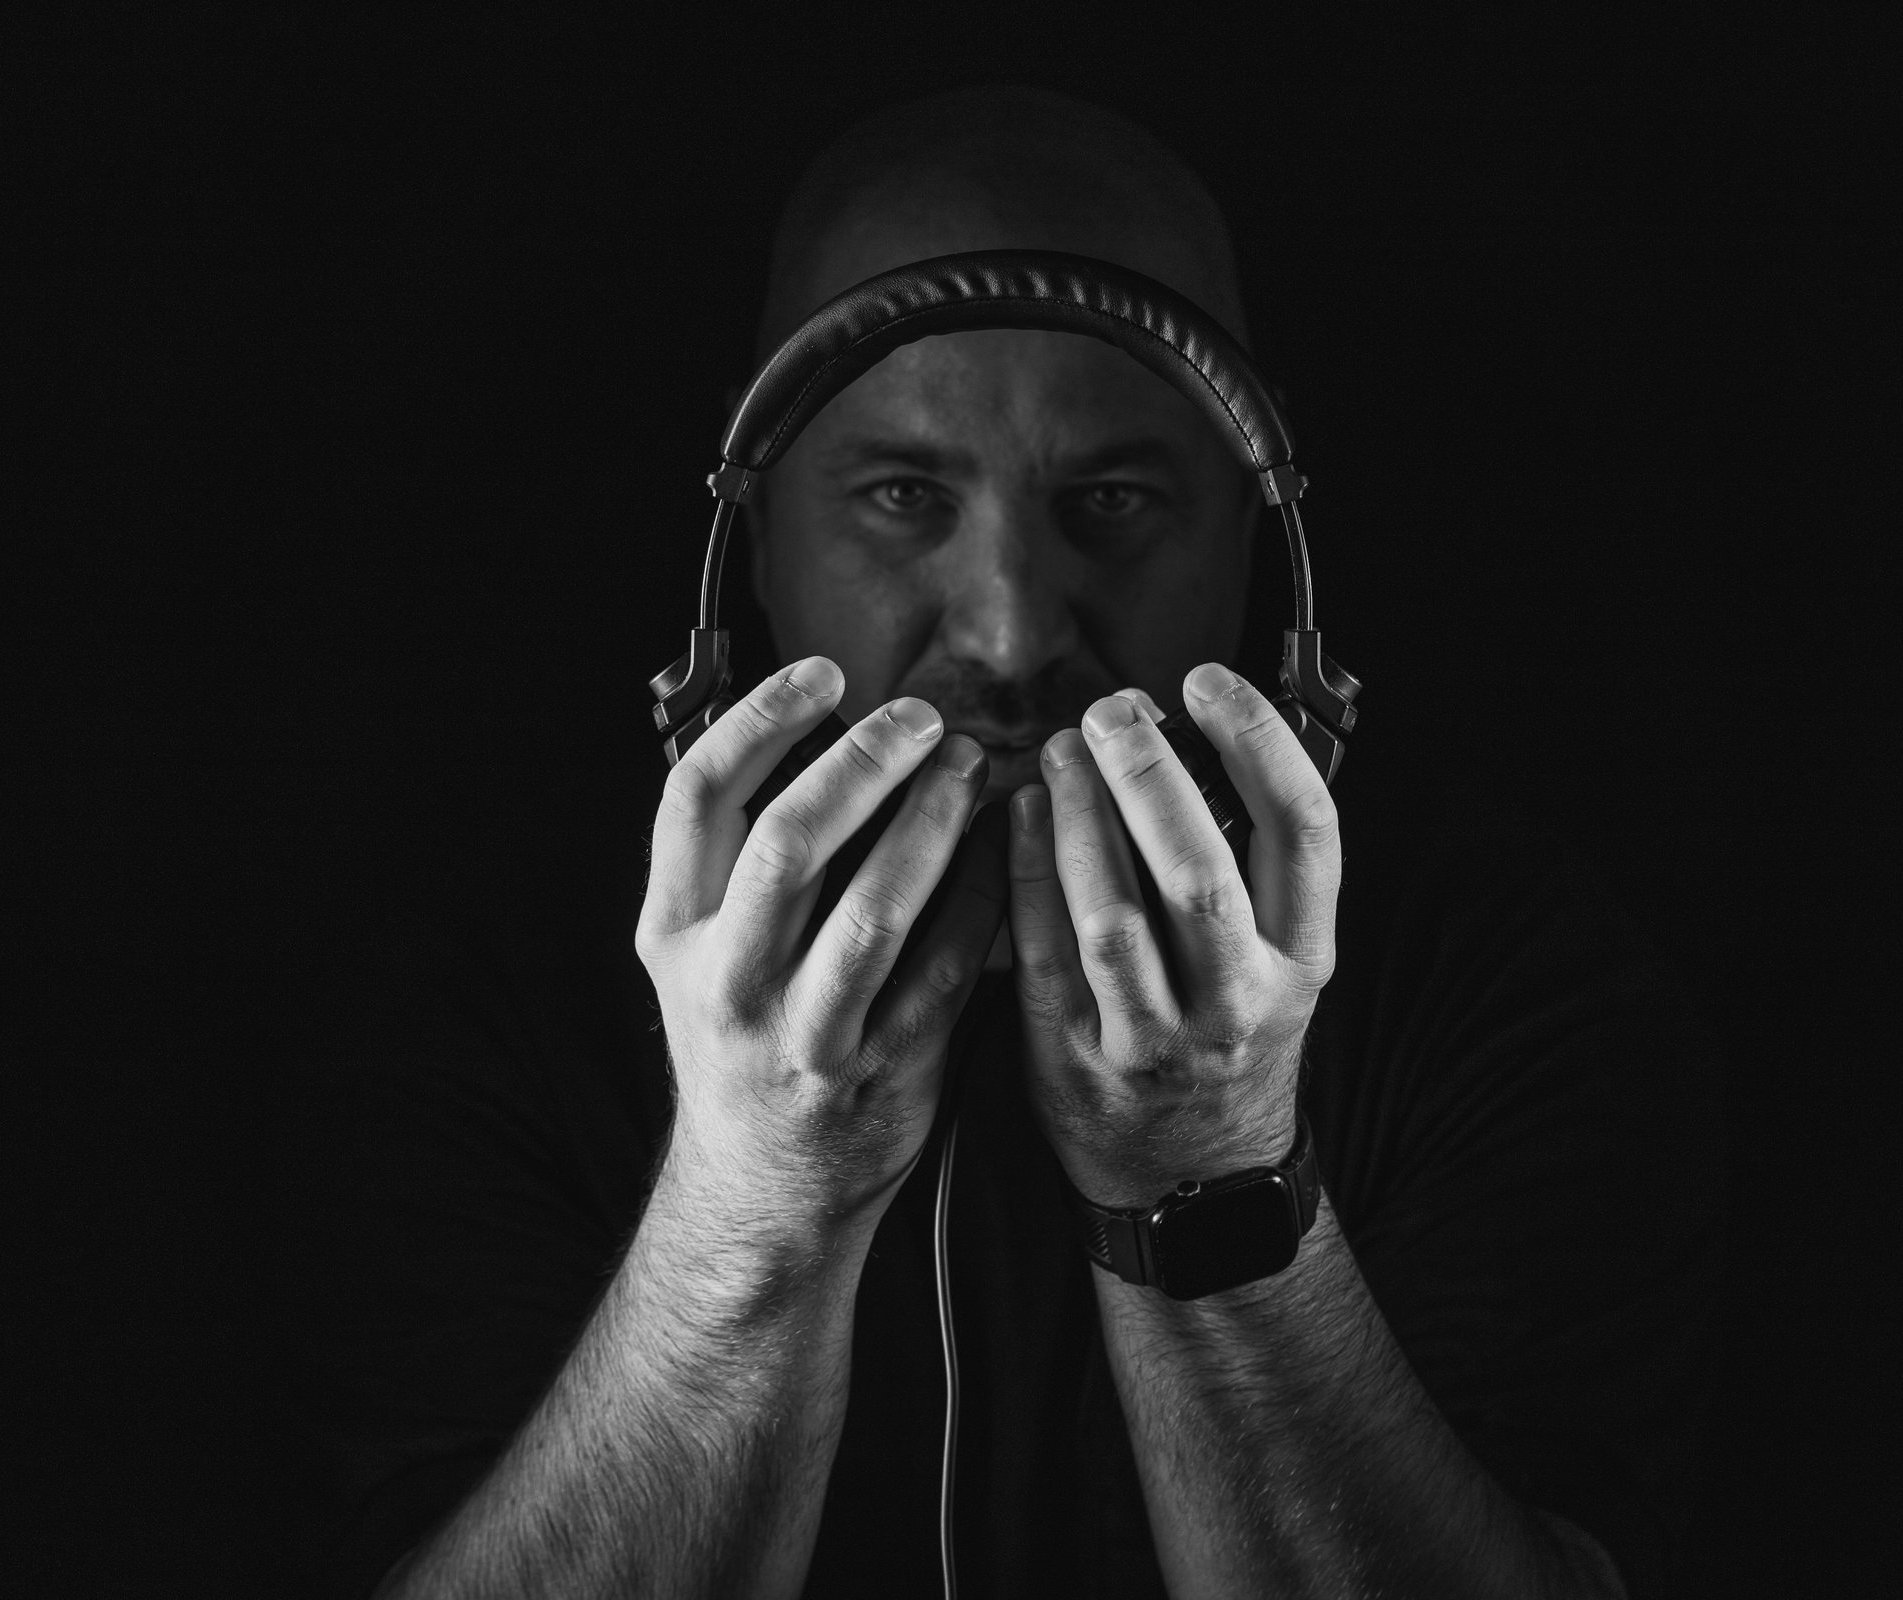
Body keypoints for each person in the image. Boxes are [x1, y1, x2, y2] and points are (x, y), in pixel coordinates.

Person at [303, 86, 1725, 1599]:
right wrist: (755, 1198)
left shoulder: (1507, 984)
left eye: (1112, 499)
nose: (1011, 632)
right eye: (903, 497)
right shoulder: (485, 997)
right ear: (759, 542)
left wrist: (1208, 1168)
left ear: (1254, 544)